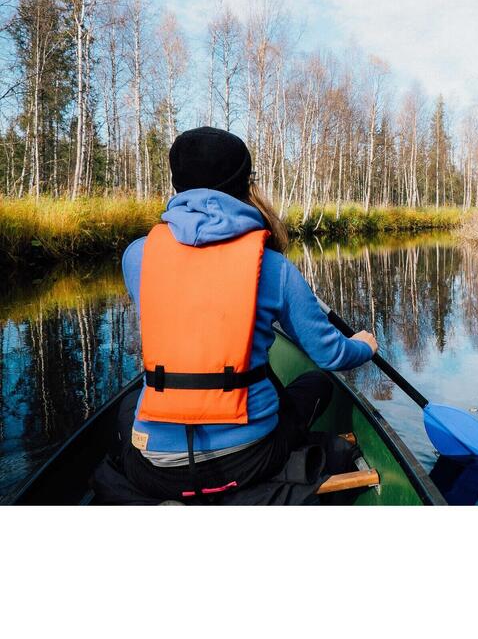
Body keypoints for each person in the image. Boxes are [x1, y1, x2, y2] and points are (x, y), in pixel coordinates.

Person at [117, 126, 378, 502]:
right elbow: (330, 355)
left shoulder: (137, 255)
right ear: (245, 183)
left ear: (178, 183)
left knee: (128, 406)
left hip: (157, 467)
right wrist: (364, 347)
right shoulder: (274, 268)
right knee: (317, 384)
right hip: (251, 460)